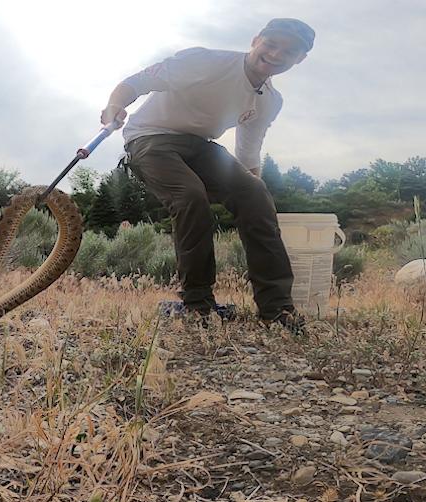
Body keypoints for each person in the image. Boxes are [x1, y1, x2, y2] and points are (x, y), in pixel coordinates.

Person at [100, 18, 315, 333]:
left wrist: (254, 197)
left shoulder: (269, 101)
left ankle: (277, 310)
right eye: (271, 43)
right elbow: (136, 82)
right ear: (256, 40)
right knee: (190, 197)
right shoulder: (204, 61)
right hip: (150, 138)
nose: (276, 54)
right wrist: (114, 106)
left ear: (299, 59)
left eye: (289, 50)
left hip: (201, 146)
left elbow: (248, 153)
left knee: (255, 195)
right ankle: (197, 306)